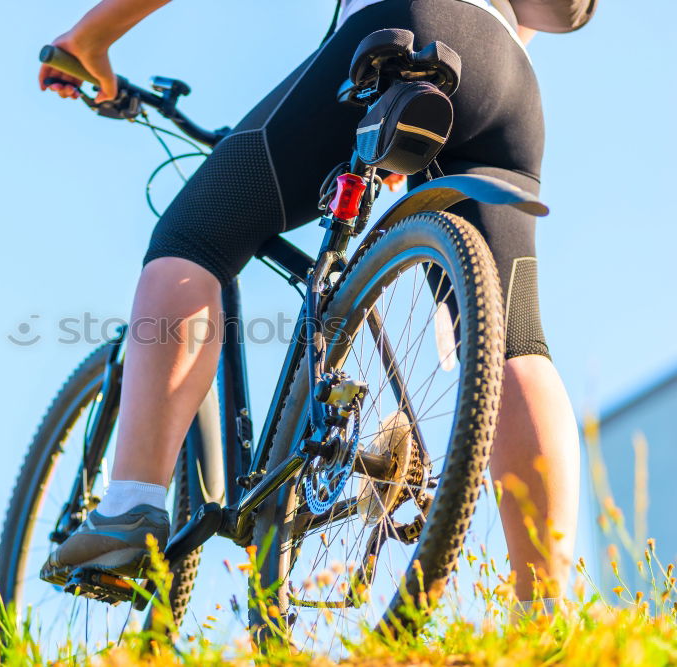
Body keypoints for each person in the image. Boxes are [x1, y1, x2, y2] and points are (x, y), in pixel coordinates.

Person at [37, 0, 583, 611]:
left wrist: (91, 38)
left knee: (191, 239)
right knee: (515, 341)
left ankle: (127, 508)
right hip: (507, 74)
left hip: (403, 28)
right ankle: (547, 614)